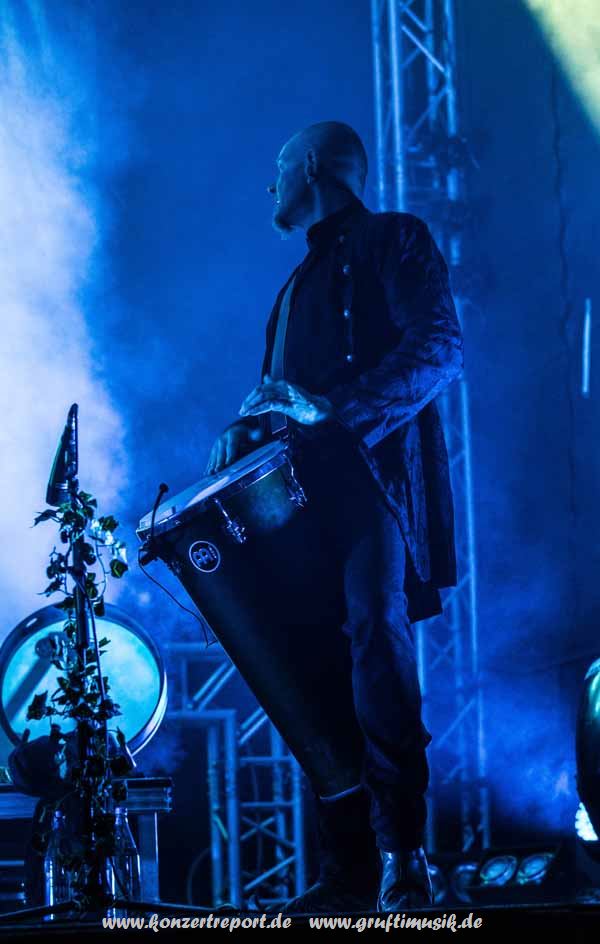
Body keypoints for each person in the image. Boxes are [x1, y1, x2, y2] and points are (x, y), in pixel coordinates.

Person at [206, 121, 463, 913]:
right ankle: (347, 867)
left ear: (313, 166)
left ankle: (403, 856)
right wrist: (243, 432)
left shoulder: (395, 238)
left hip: (372, 488)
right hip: (296, 510)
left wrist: (334, 410)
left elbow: (440, 348)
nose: (271, 184)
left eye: (280, 167)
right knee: (311, 676)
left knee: (376, 645)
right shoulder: (292, 288)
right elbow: (280, 401)